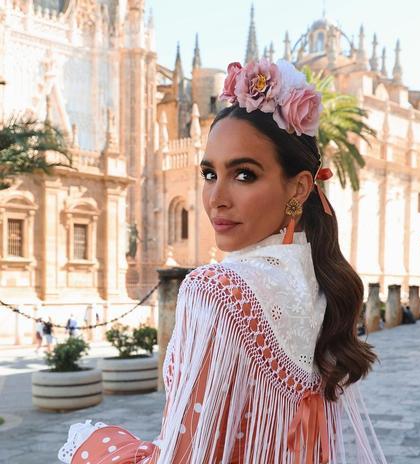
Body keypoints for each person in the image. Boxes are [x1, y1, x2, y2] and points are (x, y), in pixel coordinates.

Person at [59, 59, 386, 463]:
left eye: (244, 174)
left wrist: (94, 449)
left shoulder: (217, 290)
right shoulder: (319, 284)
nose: (216, 197)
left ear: (300, 187)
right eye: (209, 174)